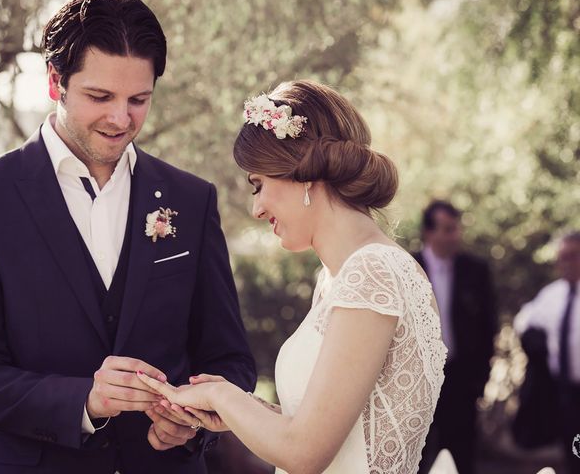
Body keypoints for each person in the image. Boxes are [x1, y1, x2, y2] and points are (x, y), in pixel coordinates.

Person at [0, 0, 256, 472]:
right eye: (100, 97)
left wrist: (196, 418)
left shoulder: (191, 200)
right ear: (54, 82)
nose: (120, 119)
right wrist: (84, 399)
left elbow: (230, 360)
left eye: (139, 100)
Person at [136, 80, 447, 473]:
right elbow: (339, 428)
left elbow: (305, 453)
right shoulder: (340, 278)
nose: (258, 209)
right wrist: (238, 408)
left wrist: (221, 396)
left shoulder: (372, 272)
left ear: (304, 174)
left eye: (259, 185)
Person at [414, 201, 497, 474]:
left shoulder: (475, 270)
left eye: (456, 228)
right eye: (448, 229)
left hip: (461, 379)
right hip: (418, 380)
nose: (455, 235)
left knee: (462, 454)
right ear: (429, 232)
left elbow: (488, 326)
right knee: (417, 456)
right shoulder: (410, 266)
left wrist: (481, 378)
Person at [514, 232, 580, 473]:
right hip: (565, 393)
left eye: (573, 256)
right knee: (573, 453)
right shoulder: (552, 295)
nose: (566, 263)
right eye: (562, 258)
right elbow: (524, 319)